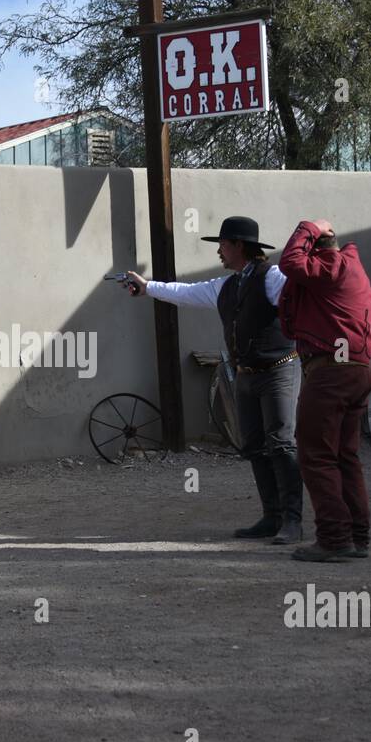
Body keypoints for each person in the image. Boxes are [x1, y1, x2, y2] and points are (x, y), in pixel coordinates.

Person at [123, 215, 304, 544]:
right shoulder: (228, 285)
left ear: (239, 246)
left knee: (280, 443)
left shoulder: (273, 277)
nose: (218, 251)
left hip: (279, 368)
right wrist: (148, 287)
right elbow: (187, 293)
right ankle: (272, 516)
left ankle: (293, 520)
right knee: (254, 446)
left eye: (222, 244)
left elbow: (300, 305)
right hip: (247, 375)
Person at [277, 218, 371, 562]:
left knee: (316, 455)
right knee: (345, 456)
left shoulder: (329, 267)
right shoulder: (355, 272)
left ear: (316, 255)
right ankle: (357, 537)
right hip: (357, 371)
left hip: (330, 372)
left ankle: (334, 539)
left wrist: (308, 226)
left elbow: (289, 262)